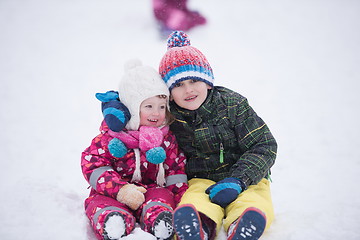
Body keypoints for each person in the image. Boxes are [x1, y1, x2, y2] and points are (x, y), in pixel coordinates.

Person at [157, 31, 278, 240]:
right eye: (178, 85)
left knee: (254, 198)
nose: (188, 90)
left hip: (245, 177)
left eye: (194, 80)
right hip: (200, 180)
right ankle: (198, 227)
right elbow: (142, 116)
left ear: (208, 81)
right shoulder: (170, 116)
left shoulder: (232, 105)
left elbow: (263, 145)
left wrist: (239, 180)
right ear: (169, 93)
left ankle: (242, 225)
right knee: (194, 200)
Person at [81, 59, 188, 240]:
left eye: (162, 107)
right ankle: (112, 220)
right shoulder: (112, 136)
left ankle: (160, 221)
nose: (156, 113)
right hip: (114, 191)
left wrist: (181, 200)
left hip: (152, 189)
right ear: (131, 108)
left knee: (162, 198)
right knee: (100, 202)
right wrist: (120, 190)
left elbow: (175, 169)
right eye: (148, 106)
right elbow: (93, 165)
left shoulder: (165, 138)